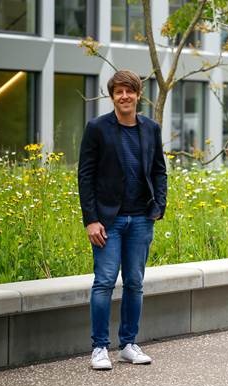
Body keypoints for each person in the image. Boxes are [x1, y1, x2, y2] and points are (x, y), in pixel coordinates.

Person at [78, 70, 167, 369]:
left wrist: (159, 206)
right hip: (108, 221)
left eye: (130, 91)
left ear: (138, 95)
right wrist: (91, 219)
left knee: (135, 283)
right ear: (112, 96)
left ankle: (128, 344)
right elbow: (85, 176)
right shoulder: (97, 128)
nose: (125, 96)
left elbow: (159, 170)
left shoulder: (151, 128)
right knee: (104, 282)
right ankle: (99, 348)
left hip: (141, 218)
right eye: (119, 91)